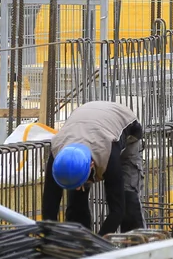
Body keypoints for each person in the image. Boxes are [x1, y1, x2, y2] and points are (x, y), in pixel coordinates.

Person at [41, 101, 147, 236]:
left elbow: (117, 210)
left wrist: (98, 244)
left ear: (91, 164)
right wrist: (51, 241)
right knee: (76, 204)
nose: (78, 187)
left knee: (128, 200)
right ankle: (79, 245)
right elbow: (49, 207)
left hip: (125, 127)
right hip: (86, 123)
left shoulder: (108, 154)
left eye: (80, 183)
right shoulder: (57, 156)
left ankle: (137, 250)